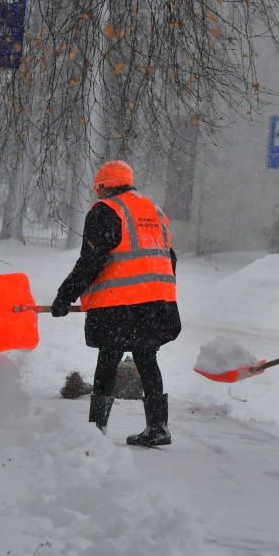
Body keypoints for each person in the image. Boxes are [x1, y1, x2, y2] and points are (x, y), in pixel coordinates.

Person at [51, 160, 181, 446]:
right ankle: (158, 427)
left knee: (108, 358)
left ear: (104, 187)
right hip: (157, 302)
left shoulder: (106, 211)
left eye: (98, 190)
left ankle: (96, 430)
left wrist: (65, 296)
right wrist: (161, 295)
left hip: (120, 304)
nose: (97, 197)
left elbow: (91, 261)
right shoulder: (153, 209)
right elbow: (169, 257)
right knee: (147, 359)